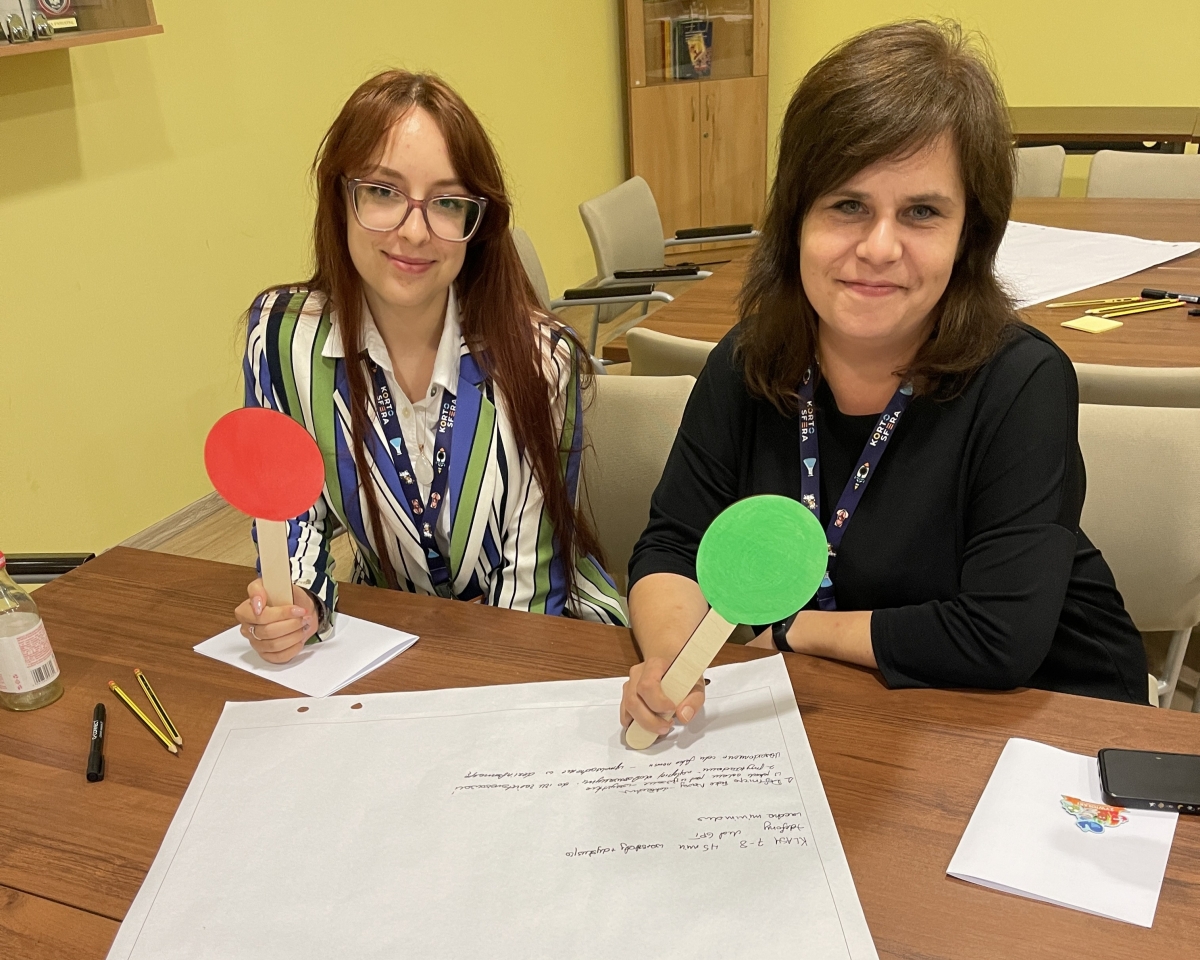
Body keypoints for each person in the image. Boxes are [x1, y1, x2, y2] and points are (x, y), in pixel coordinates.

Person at [621, 20, 1148, 738]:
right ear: (795, 217)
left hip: (1044, 710)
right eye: (848, 205)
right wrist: (673, 663)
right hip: (845, 705)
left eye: (921, 212)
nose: (878, 247)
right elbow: (672, 547)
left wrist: (792, 631)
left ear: (969, 236)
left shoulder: (1023, 381)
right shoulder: (747, 362)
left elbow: (998, 638)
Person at [235, 71, 625, 663]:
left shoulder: (541, 358)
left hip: (544, 632)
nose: (414, 232)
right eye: (383, 192)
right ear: (341, 197)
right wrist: (296, 605)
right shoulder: (283, 338)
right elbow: (289, 514)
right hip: (387, 630)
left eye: (446, 203)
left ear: (476, 222)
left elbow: (533, 578)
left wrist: (472, 677)